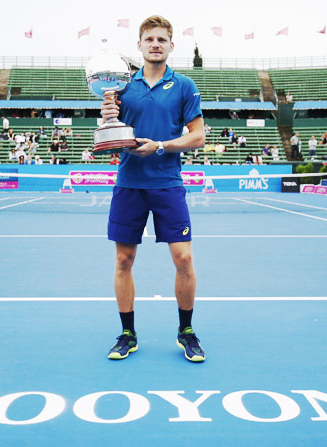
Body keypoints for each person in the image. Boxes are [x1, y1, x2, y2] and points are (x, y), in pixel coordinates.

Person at [100, 15, 206, 362]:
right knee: (124, 259)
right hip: (129, 183)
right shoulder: (122, 87)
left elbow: (198, 136)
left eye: (162, 39)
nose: (156, 44)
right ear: (140, 45)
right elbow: (113, 137)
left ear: (171, 46)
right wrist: (108, 117)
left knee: (184, 258)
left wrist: (160, 146)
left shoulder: (184, 86)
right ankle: (127, 333)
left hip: (167, 183)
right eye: (150, 39)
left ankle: (186, 331)